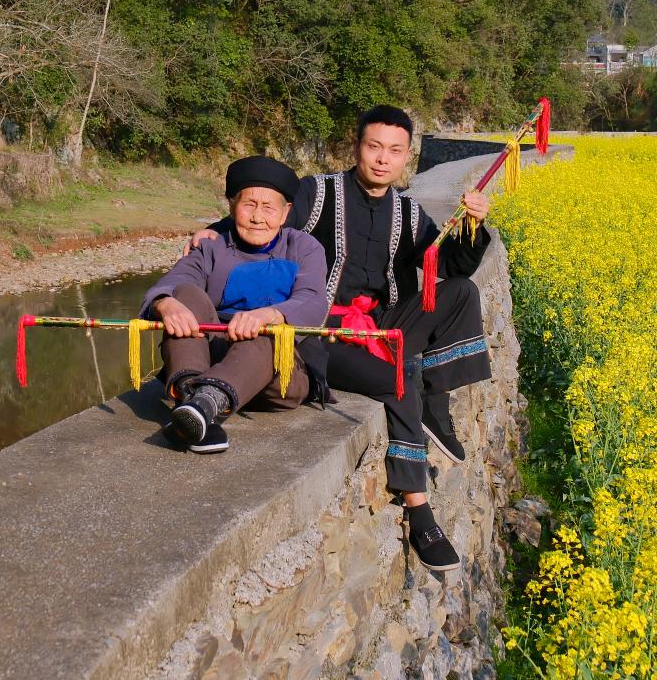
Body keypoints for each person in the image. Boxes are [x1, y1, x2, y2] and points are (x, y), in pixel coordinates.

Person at [187, 106, 492, 572]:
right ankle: (418, 507)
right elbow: (264, 217)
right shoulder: (318, 192)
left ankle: (434, 393)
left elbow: (445, 266)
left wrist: (470, 225)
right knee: (398, 372)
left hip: (385, 320)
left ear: (408, 157)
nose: (382, 159)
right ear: (357, 147)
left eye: (395, 151)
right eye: (374, 147)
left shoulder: (409, 211)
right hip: (322, 330)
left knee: (461, 293)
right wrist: (215, 230)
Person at [140, 156, 328, 454]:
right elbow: (175, 280)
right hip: (216, 356)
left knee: (268, 332)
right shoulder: (211, 246)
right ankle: (197, 404)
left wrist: (270, 314)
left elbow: (314, 300)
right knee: (184, 293)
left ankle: (204, 402)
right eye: (248, 205)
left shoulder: (304, 247)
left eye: (269, 207)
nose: (257, 217)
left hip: (279, 370)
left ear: (285, 213)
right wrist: (165, 303)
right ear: (231, 207)